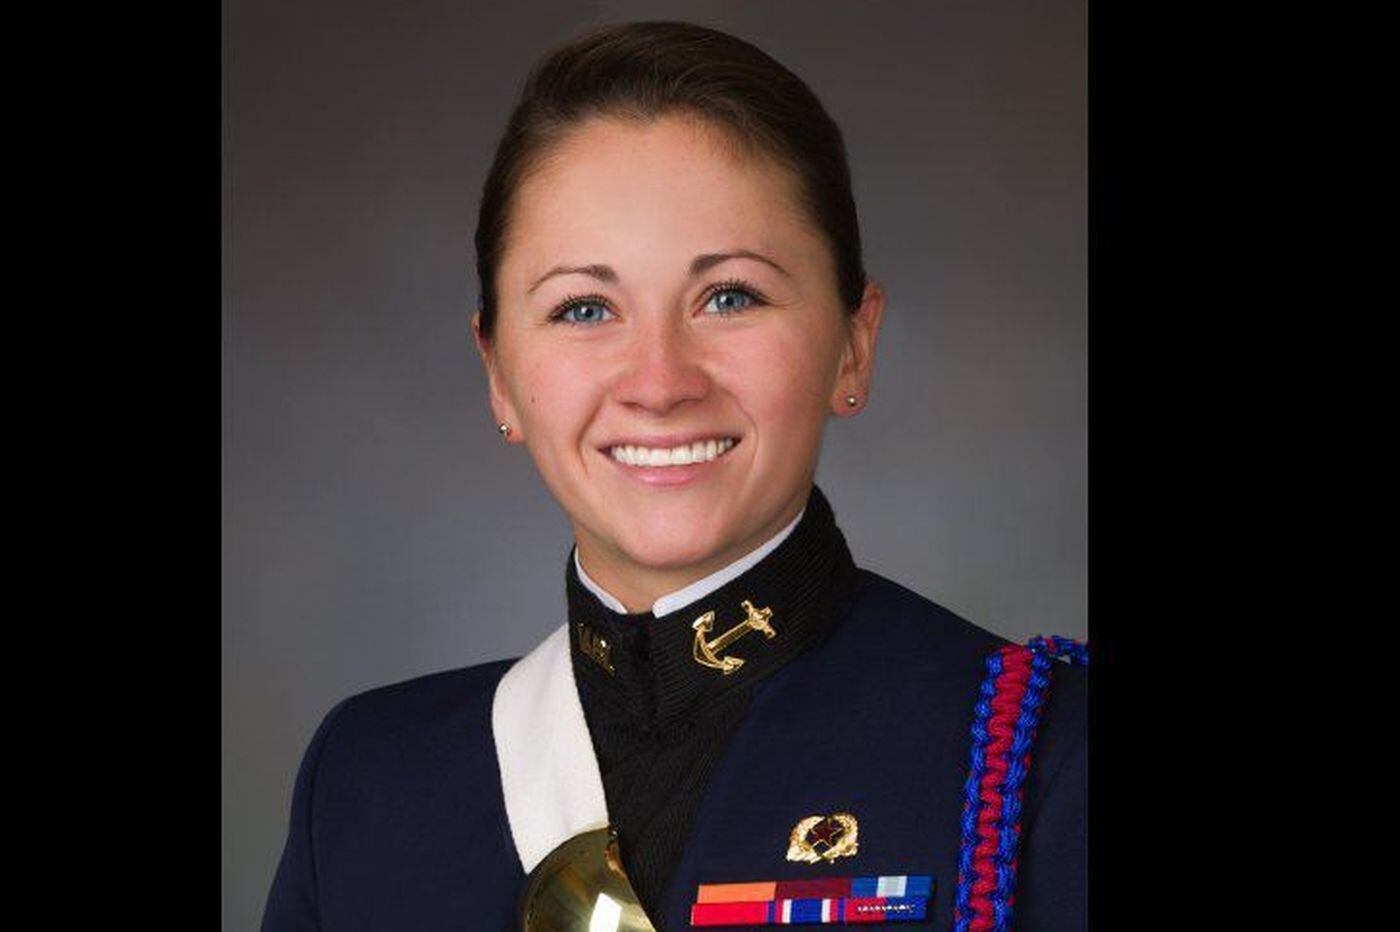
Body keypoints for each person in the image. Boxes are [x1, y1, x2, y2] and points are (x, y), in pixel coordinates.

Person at [261, 20, 1086, 932]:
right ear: (497, 370)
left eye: (730, 297)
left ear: (854, 344)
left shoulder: (1038, 755)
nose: (659, 383)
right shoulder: (369, 783)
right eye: (584, 308)